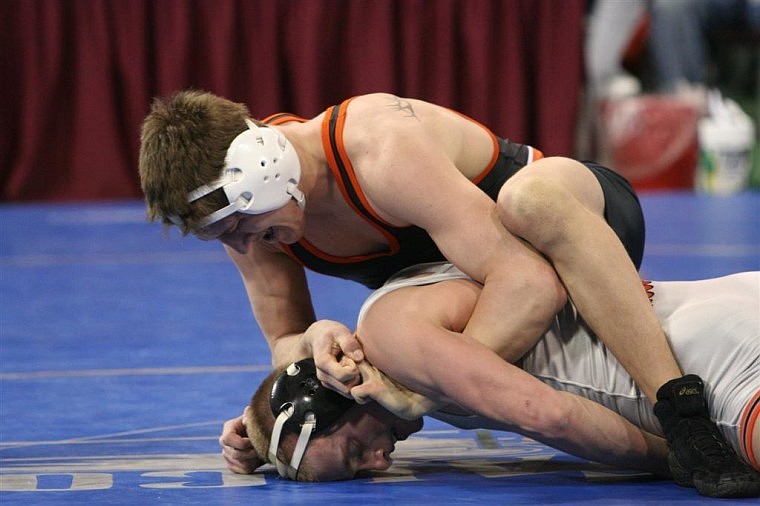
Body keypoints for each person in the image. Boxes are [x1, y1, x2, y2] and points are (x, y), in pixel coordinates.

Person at [139, 90, 734, 488]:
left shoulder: (375, 150)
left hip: (574, 233)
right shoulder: (252, 220)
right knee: (393, 341)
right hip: (477, 280)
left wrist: (420, 393)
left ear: (260, 169)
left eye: (242, 227)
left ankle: (680, 409)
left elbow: (530, 282)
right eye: (226, 237)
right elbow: (286, 342)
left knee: (528, 200)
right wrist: (273, 418)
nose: (246, 246)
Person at [243, 263, 760, 498]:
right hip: (702, 312)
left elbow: (550, 415)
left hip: (710, 374)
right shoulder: (390, 349)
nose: (379, 464)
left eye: (358, 453)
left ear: (342, 389)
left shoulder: (393, 338)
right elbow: (295, 402)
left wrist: (685, 454)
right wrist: (253, 433)